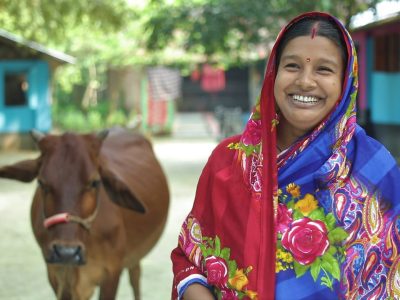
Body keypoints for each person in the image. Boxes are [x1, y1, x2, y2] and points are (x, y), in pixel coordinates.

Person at [171, 11, 400, 300]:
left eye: (324, 70)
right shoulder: (228, 163)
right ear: (273, 73)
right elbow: (189, 258)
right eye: (292, 66)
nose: (305, 81)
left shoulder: (374, 169)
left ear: (345, 83)